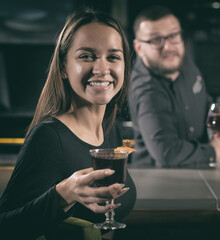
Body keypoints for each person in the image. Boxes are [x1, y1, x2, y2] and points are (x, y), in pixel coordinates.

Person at [0, 9, 136, 239]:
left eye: (113, 57)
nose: (102, 69)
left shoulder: (110, 127)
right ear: (63, 67)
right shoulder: (49, 138)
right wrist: (63, 195)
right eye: (86, 56)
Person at [129, 5, 220, 168]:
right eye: (156, 40)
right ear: (139, 48)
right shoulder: (147, 90)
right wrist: (214, 152)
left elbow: (202, 102)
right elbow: (167, 153)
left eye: (173, 35)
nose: (168, 47)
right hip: (159, 181)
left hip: (196, 171)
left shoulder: (181, 60)